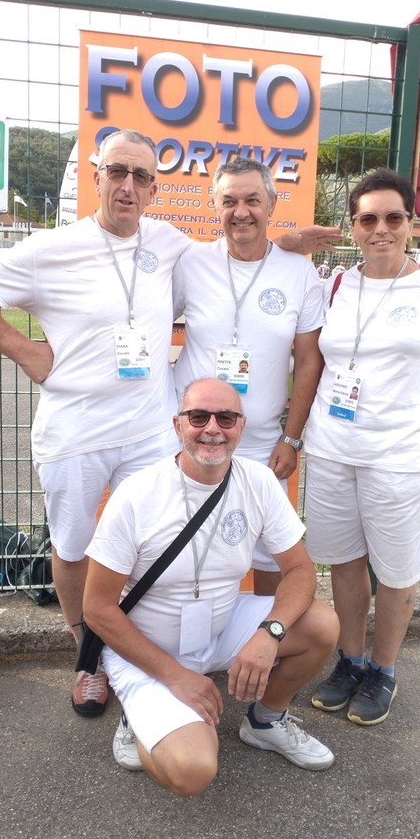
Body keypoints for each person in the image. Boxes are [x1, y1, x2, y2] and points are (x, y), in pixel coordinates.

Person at [0, 129, 340, 720]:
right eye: (117, 172)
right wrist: (25, 352)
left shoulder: (166, 243)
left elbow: (241, 244)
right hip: (75, 431)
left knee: (159, 546)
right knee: (75, 546)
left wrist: (287, 240)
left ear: (155, 187)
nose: (128, 186)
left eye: (141, 177)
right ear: (96, 176)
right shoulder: (55, 246)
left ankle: (155, 655)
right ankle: (88, 657)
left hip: (153, 428)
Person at [82, 378, 339, 795]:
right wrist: (174, 676)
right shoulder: (136, 495)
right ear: (177, 424)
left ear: (242, 425)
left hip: (220, 626)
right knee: (193, 770)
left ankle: (266, 721)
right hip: (148, 646)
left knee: (322, 625)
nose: (213, 428)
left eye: (226, 417)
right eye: (198, 417)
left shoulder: (257, 483)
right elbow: (96, 609)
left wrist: (268, 635)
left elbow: (301, 572)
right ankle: (138, 711)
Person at [304, 168, 420, 727]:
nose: (381, 228)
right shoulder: (333, 285)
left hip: (401, 456)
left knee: (397, 570)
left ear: (411, 223)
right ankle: (350, 661)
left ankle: (383, 669)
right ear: (352, 226)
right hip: (332, 447)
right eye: (368, 218)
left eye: (393, 217)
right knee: (347, 563)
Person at [173, 158, 325, 595]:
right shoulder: (191, 263)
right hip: (194, 435)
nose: (241, 211)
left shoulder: (299, 272)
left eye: (252, 200)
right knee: (184, 544)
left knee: (272, 551)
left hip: (262, 443)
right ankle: (182, 643)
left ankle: (268, 637)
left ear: (272, 205)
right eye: (229, 201)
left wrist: (292, 439)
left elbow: (309, 361)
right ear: (214, 206)